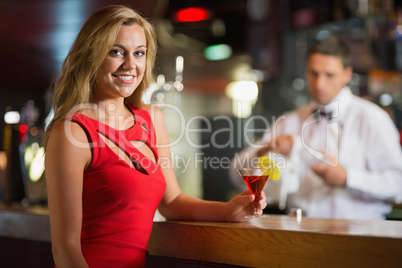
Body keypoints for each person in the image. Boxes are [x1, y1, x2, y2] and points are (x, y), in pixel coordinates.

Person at [44, 5, 266, 268]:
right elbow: (65, 248)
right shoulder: (71, 133)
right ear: (92, 55)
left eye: (139, 53)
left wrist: (228, 210)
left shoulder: (152, 119)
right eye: (116, 52)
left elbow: (172, 203)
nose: (130, 64)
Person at [229, 35, 402, 221]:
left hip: (360, 238)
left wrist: (347, 179)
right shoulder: (290, 120)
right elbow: (236, 174)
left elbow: (397, 185)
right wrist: (266, 149)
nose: (319, 84)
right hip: (299, 235)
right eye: (314, 73)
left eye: (329, 75)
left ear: (347, 74)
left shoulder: (372, 118)